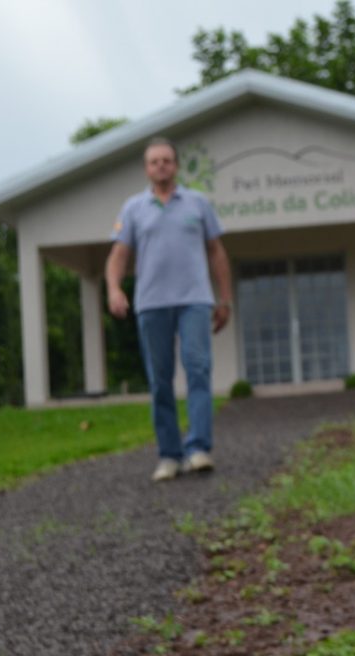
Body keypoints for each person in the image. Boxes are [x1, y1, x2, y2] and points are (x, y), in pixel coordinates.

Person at [105, 137, 234, 482]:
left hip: (195, 300)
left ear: (176, 165)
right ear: (147, 169)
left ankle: (199, 449)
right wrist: (114, 288)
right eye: (154, 161)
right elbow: (118, 255)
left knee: (198, 371)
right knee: (160, 381)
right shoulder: (133, 208)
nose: (160, 166)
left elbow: (217, 252)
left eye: (166, 160)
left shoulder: (198, 203)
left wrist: (225, 299)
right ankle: (169, 455)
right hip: (152, 304)